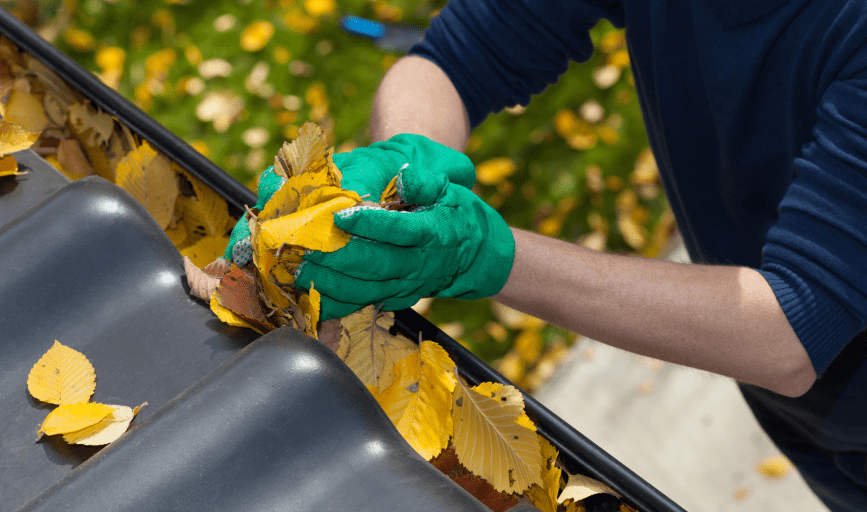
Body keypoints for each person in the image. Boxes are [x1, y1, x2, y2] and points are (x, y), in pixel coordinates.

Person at [229, 1, 867, 509]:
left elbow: (787, 330)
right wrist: (406, 163)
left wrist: (486, 254)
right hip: (810, 423)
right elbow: (458, 56)